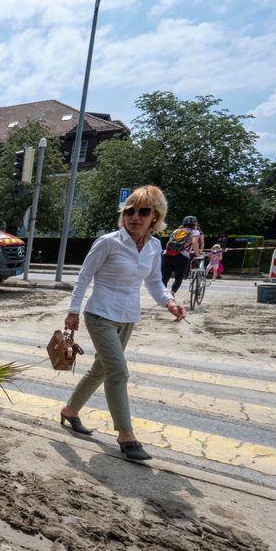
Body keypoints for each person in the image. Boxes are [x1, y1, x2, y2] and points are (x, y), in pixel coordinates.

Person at [59, 185, 186, 461]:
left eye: (143, 211)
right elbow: (83, 277)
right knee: (118, 372)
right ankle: (126, 436)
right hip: (100, 314)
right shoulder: (108, 241)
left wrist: (169, 301)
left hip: (128, 317)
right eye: (129, 211)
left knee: (101, 370)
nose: (134, 217)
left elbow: (154, 282)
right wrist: (73, 311)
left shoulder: (154, 246)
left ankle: (69, 411)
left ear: (155, 215)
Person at [160, 215, 204, 295]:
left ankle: (163, 296)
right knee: (178, 277)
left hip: (167, 254)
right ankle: (172, 294)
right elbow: (194, 242)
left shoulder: (176, 230)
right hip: (182, 256)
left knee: (164, 277)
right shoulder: (195, 231)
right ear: (195, 224)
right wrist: (197, 255)